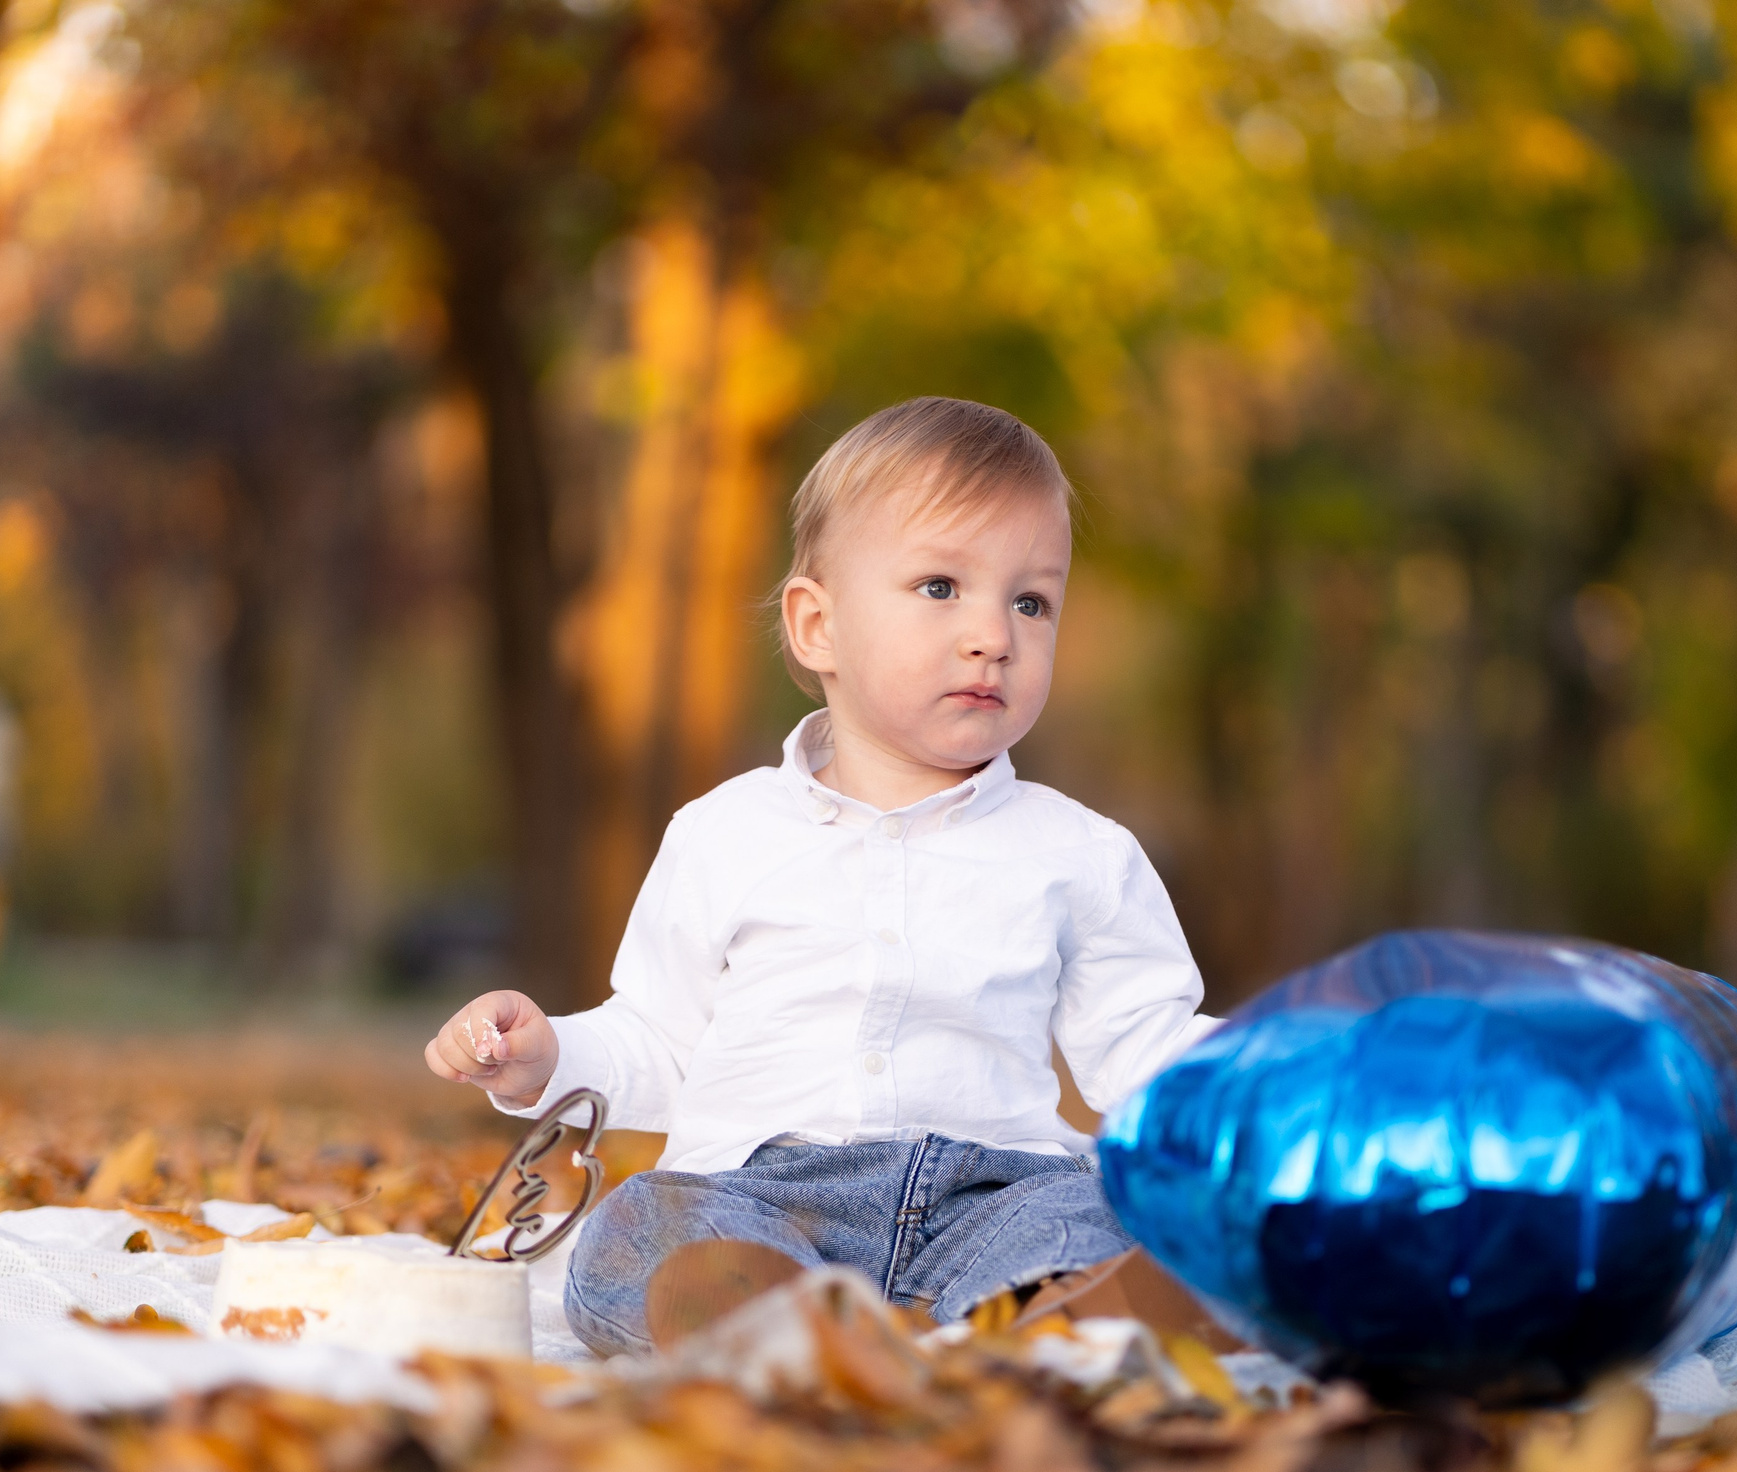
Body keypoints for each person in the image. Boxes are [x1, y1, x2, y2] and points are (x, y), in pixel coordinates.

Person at [425, 397, 1229, 1355]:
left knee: (1097, 1216)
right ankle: (778, 1326)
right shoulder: (722, 834)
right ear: (817, 626)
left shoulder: (1081, 852)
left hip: (992, 1195)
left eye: (1031, 600)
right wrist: (547, 1056)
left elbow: (1144, 1040)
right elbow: (663, 1039)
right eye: (940, 586)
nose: (993, 634)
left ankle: (1048, 1317)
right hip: (761, 1196)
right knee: (642, 1227)